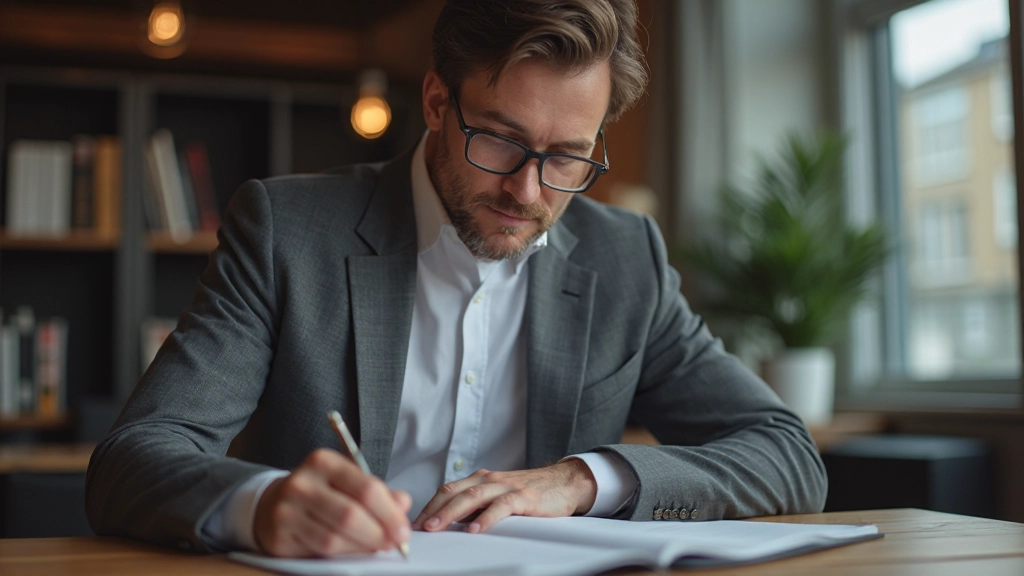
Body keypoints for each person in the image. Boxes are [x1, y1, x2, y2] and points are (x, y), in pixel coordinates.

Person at [85, 0, 827, 558]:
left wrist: (580, 481)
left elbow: (786, 455)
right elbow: (132, 459)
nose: (528, 192)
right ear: (438, 102)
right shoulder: (286, 231)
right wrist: (263, 503)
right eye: (500, 140)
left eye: (568, 157)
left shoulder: (624, 257)